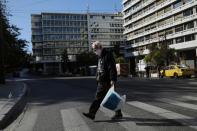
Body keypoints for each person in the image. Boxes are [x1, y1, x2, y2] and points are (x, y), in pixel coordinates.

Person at [83, 41, 123, 120]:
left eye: (95, 49)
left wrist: (113, 79)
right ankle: (118, 113)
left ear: (99, 47)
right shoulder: (100, 57)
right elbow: (99, 69)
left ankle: (92, 113)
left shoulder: (107, 55)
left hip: (106, 81)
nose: (94, 51)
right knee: (112, 98)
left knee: (99, 98)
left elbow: (112, 68)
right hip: (101, 81)